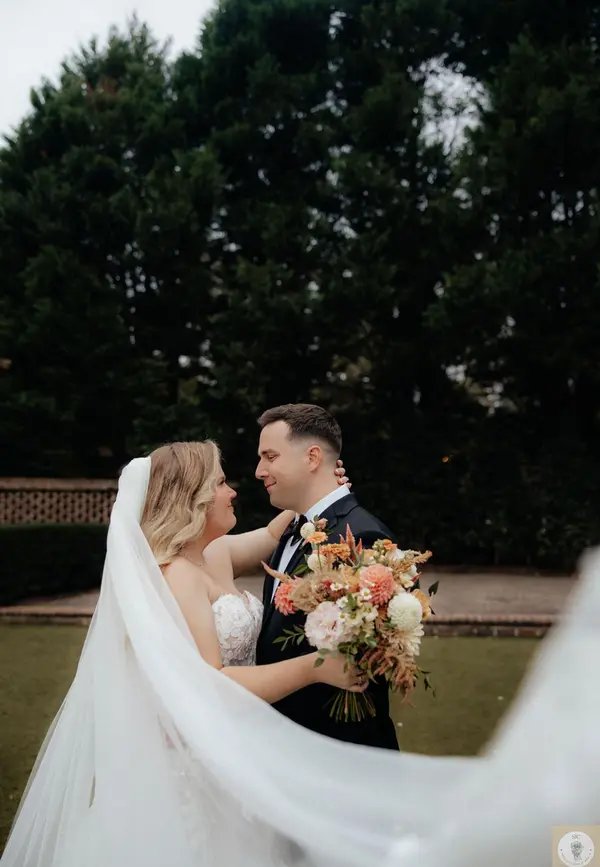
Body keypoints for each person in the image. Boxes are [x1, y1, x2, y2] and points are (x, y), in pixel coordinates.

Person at [3, 442, 600, 867]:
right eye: (221, 482)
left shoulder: (209, 557)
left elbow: (274, 535)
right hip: (196, 771)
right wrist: (318, 666)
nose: (234, 489)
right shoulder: (176, 576)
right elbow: (211, 683)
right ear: (193, 499)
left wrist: (319, 491)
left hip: (232, 759)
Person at [255, 403, 399, 750]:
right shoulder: (294, 528)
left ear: (312, 457)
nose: (259, 471)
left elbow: (367, 666)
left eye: (270, 457)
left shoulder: (361, 537)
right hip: (285, 750)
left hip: (340, 754)